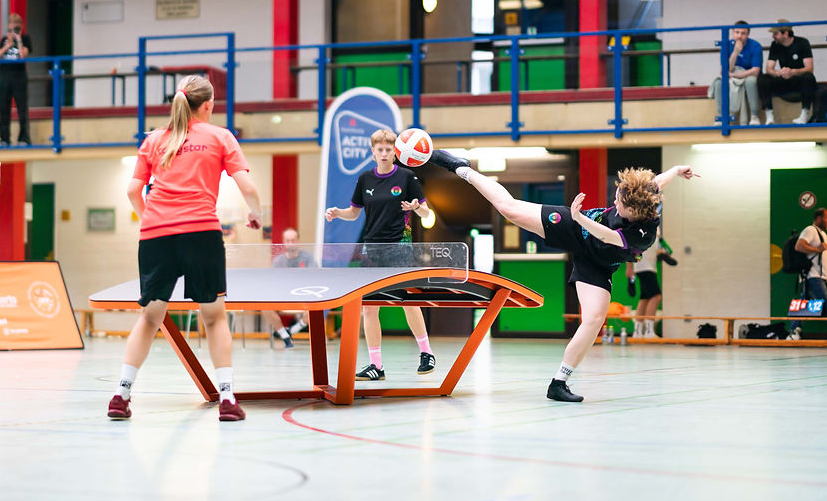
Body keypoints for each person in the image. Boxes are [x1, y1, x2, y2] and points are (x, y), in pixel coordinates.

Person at [429, 149, 697, 402]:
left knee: (593, 319)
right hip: (574, 228)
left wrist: (580, 217)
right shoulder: (640, 195)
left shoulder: (644, 234)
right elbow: (657, 183)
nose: (614, 202)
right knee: (509, 209)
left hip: (598, 257)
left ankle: (559, 382)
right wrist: (676, 169)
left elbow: (607, 236)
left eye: (619, 202)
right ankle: (461, 168)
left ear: (636, 211)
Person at [107, 75, 262, 422]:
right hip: (200, 234)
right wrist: (257, 215)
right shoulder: (220, 136)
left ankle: (121, 394)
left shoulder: (153, 139)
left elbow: (134, 191)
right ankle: (226, 399)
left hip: (155, 237)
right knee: (214, 316)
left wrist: (152, 221)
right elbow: (248, 187)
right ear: (208, 105)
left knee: (149, 317)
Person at [325, 129, 437, 381]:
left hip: (400, 247)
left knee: (408, 302)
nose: (384, 153)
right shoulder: (365, 179)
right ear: (372, 152)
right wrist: (336, 213)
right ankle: (376, 365)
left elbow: (427, 214)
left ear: (396, 153)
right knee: (369, 308)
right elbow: (354, 213)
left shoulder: (407, 177)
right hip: (371, 250)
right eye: (380, 149)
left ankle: (426, 352)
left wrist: (416, 207)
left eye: (389, 149)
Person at [262, 227, 314, 349]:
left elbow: (314, 278)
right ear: (284, 242)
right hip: (283, 297)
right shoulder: (278, 261)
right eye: (288, 240)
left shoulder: (308, 258)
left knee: (315, 309)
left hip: (304, 296)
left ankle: (291, 331)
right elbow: (275, 282)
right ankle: (285, 335)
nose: (291, 243)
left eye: (293, 240)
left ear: (298, 241)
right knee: (264, 307)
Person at [757, 19, 817, 125]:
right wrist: (778, 73)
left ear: (785, 33)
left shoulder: (802, 42)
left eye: (776, 33)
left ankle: (804, 115)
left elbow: (809, 68)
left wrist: (793, 72)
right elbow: (769, 68)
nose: (773, 36)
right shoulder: (775, 45)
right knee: (763, 78)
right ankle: (769, 116)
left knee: (809, 77)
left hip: (798, 80)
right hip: (783, 79)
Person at [709, 20, 762, 125]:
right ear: (733, 33)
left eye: (743, 33)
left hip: (747, 75)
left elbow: (755, 71)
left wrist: (734, 75)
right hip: (732, 73)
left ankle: (755, 116)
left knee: (751, 81)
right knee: (719, 83)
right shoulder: (726, 45)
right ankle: (722, 117)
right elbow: (724, 70)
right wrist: (735, 52)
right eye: (737, 32)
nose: (739, 36)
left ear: (748, 34)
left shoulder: (755, 46)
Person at [0, 13, 33, 146]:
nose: (13, 32)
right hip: (4, 77)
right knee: (4, 109)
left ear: (21, 27)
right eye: (11, 29)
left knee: (22, 109)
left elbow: (23, 55)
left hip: (19, 77)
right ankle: (4, 138)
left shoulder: (26, 39)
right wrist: (8, 44)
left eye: (16, 29)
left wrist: (19, 39)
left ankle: (24, 137)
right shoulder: (4, 40)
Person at [791, 207, 827, 339]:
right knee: (824, 302)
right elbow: (799, 246)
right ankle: (794, 329)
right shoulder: (810, 230)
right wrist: (817, 249)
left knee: (806, 303)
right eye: (826, 217)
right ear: (818, 218)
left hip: (820, 276)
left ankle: (794, 329)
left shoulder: (823, 234)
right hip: (813, 276)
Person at [626, 227, 665, 339]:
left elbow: (650, 250)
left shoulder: (655, 229)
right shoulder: (643, 225)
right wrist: (629, 267)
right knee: (656, 297)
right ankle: (649, 331)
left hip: (649, 267)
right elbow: (631, 245)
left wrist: (661, 253)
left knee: (645, 298)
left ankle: (637, 332)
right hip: (644, 267)